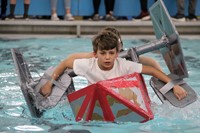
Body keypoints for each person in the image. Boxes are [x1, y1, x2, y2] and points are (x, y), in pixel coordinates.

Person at [40, 30, 187, 101]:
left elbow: (153, 70)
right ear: (95, 53)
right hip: (98, 100)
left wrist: (173, 85)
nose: (107, 57)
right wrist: (50, 83)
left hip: (121, 99)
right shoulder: (87, 63)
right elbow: (66, 62)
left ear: (117, 53)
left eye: (111, 53)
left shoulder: (124, 64)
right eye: (103, 53)